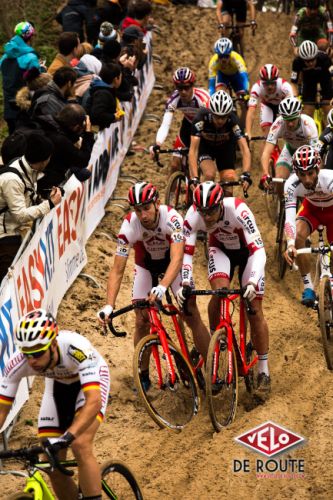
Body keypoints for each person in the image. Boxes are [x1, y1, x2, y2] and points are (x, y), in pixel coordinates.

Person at [98, 182, 211, 384]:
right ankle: (143, 373)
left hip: (171, 265)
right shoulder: (128, 226)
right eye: (138, 210)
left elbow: (177, 259)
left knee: (190, 312)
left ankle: (212, 369)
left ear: (157, 203)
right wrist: (109, 305)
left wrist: (162, 286)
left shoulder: (172, 218)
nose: (142, 215)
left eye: (146, 208)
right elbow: (117, 269)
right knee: (142, 320)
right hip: (146, 266)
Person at [0, 308, 110, 500]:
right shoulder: (18, 363)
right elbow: (1, 412)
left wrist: (68, 436)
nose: (32, 361)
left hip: (90, 385)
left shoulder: (76, 348)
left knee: (80, 444)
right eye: (27, 354)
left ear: (53, 344)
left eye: (38, 353)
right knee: (50, 461)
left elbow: (93, 401)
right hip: (57, 388)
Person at [179, 181, 270, 399]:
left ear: (220, 204)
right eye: (202, 212)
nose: (207, 217)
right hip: (219, 249)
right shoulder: (192, 217)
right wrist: (185, 282)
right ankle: (215, 340)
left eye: (211, 211)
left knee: (254, 308)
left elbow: (259, 251)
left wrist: (253, 281)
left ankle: (264, 372)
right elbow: (187, 255)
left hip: (249, 253)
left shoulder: (238, 210)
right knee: (220, 293)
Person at [0, 133, 62, 283]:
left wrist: (42, 199)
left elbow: (27, 196)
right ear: (44, 159)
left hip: (13, 231)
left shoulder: (27, 168)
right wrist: (49, 204)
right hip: (4, 236)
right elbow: (20, 215)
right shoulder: (12, 179)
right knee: (7, 281)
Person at [284, 145, 333, 306]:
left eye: (310, 173)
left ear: (318, 169)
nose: (307, 180)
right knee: (298, 236)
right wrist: (290, 244)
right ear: (296, 172)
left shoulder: (330, 179)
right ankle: (308, 287)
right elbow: (289, 218)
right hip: (311, 210)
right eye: (302, 174)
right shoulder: (291, 185)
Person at [189, 90, 251, 196]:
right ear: (211, 112)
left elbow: (245, 149)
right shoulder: (201, 118)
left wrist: (246, 174)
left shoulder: (233, 121)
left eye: (224, 117)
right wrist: (194, 177)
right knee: (209, 174)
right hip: (206, 148)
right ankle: (203, 202)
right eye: (217, 116)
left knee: (229, 180)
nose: (220, 121)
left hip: (225, 149)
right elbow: (193, 150)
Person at [151, 67, 210, 176]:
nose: (183, 92)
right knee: (174, 165)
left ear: (192, 85)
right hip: (187, 127)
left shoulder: (203, 99)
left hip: (204, 129)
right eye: (179, 87)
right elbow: (165, 124)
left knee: (195, 171)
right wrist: (158, 144)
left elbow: (211, 122)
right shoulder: (174, 99)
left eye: (186, 88)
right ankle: (171, 193)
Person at [260, 96, 318, 192]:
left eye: (293, 119)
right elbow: (266, 152)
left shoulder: (309, 125)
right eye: (287, 119)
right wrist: (265, 173)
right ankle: (282, 204)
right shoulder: (277, 124)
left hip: (308, 153)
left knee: (308, 184)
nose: (290, 124)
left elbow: (316, 153)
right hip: (290, 150)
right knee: (279, 178)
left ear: (299, 115)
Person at [37, 103, 94, 192]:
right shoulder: (60, 140)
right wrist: (88, 133)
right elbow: (83, 160)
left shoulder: (49, 125)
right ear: (76, 126)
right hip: (47, 182)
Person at [0, 22, 41, 133]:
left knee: (14, 142)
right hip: (25, 108)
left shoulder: (4, 57)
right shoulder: (31, 57)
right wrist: (42, 70)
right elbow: (36, 82)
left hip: (9, 109)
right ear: (30, 36)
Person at [246, 64, 294, 143]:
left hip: (283, 106)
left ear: (277, 80)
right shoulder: (256, 87)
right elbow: (251, 111)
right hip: (267, 106)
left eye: (272, 83)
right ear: (261, 82)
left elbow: (292, 107)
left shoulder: (284, 86)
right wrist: (248, 132)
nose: (270, 87)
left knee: (290, 129)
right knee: (267, 133)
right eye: (266, 84)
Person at [208, 38, 249, 127]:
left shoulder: (237, 58)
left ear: (230, 54)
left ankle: (242, 129)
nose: (223, 60)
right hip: (223, 76)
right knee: (219, 96)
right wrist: (211, 98)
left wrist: (245, 92)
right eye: (221, 56)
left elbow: (244, 78)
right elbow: (211, 86)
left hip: (236, 77)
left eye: (226, 56)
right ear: (217, 55)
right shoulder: (213, 62)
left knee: (244, 105)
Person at [290, 40, 332, 120]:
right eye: (307, 61)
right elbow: (293, 83)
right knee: (307, 114)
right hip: (309, 82)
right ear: (302, 59)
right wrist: (295, 97)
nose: (310, 63)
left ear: (316, 56)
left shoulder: (324, 58)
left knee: (328, 109)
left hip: (325, 79)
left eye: (313, 59)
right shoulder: (297, 62)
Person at [89, 62, 125, 129]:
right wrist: (113, 117)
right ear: (115, 79)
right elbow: (97, 115)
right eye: (120, 77)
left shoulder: (107, 90)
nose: (121, 80)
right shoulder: (103, 93)